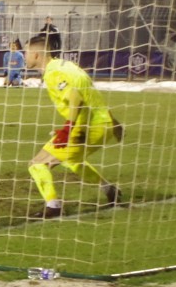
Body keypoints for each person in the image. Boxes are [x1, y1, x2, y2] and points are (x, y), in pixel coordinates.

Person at [22, 35, 122, 219]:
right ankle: (109, 190)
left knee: (37, 165)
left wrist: (69, 128)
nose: (24, 56)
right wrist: (113, 122)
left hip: (88, 126)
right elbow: (90, 93)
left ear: (36, 55)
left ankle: (53, 206)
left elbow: (76, 96)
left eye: (26, 52)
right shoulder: (67, 66)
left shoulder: (53, 73)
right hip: (102, 123)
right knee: (71, 160)